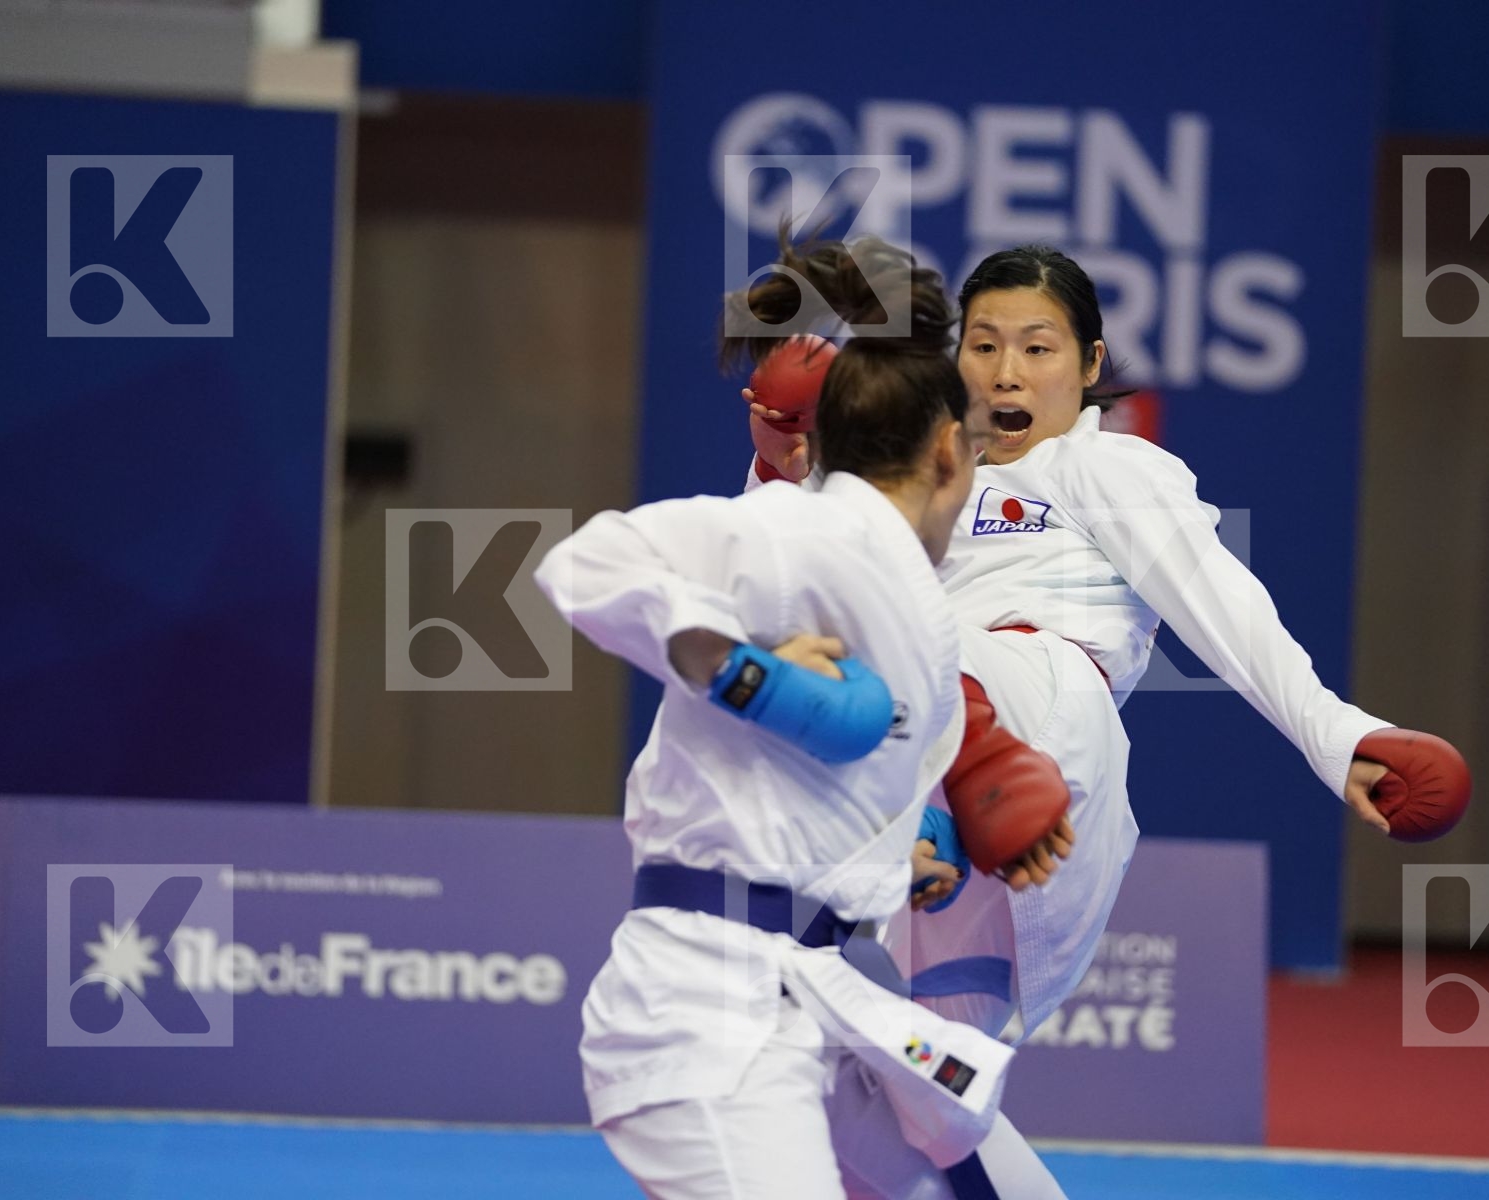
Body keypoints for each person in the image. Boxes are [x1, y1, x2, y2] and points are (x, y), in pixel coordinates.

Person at [747, 244, 1432, 1199]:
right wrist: (780, 465)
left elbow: (1225, 609)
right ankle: (917, 822)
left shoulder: (1108, 465)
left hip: (1047, 726)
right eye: (982, 345)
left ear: (1092, 366)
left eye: (1038, 347)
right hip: (937, 792)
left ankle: (928, 808)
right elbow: (784, 598)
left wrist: (1342, 737)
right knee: (912, 1107)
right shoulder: (916, 470)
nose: (1006, 371)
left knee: (910, 643)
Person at [536, 238, 1062, 1200]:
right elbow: (586, 567)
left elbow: (848, 785)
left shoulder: (920, 611)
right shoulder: (810, 535)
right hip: (707, 1013)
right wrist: (742, 675)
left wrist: (908, 856)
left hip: (821, 993)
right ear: (951, 449)